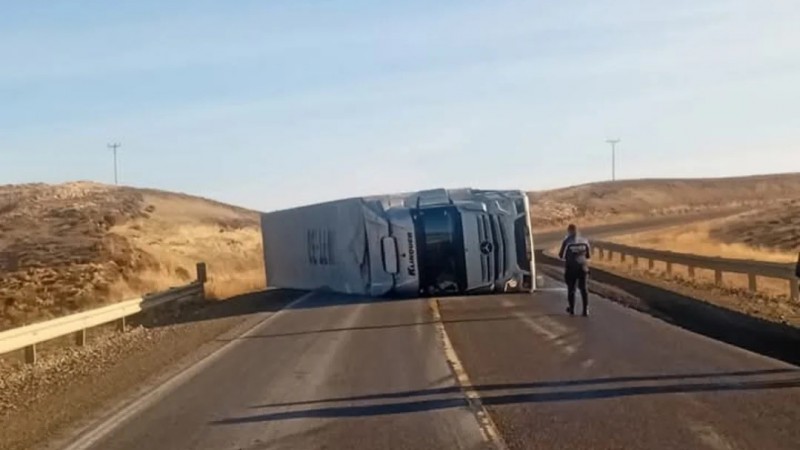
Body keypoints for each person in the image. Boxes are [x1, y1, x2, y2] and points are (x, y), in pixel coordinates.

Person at [558, 224, 591, 316]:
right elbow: (588, 256)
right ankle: (586, 309)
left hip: (571, 268)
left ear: (570, 231)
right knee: (584, 288)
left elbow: (561, 255)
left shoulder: (567, 241)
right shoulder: (585, 241)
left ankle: (572, 309)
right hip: (583, 267)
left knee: (571, 289)